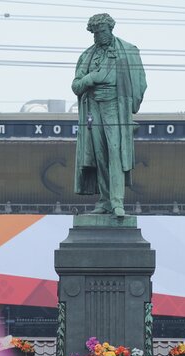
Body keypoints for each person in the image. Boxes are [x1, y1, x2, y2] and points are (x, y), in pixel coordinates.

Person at [72, 13, 146, 217]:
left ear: (110, 29)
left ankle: (117, 201)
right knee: (99, 155)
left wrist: (131, 106)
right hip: (93, 108)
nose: (98, 36)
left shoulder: (128, 51)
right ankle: (105, 201)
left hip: (116, 107)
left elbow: (140, 82)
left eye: (102, 31)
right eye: (95, 33)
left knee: (115, 152)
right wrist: (90, 78)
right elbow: (76, 86)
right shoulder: (87, 56)